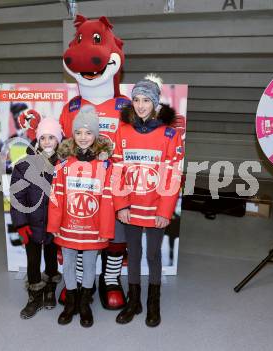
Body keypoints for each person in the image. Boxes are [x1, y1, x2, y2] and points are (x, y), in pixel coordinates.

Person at [112, 74, 184, 327]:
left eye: (146, 100)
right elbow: (116, 171)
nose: (141, 105)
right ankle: (135, 301)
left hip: (156, 209)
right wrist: (120, 205)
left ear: (156, 103)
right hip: (130, 208)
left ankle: (154, 302)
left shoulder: (169, 135)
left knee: (152, 254)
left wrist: (165, 210)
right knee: (133, 253)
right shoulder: (122, 131)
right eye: (136, 100)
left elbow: (173, 176)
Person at [47, 105, 115, 327]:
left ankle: (85, 303)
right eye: (78, 132)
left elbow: (107, 200)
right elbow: (56, 195)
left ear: (95, 135)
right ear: (72, 135)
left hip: (93, 228)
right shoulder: (64, 163)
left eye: (88, 132)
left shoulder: (105, 164)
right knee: (68, 264)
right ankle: (71, 302)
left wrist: (105, 230)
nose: (83, 137)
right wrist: (55, 224)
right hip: (68, 225)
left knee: (88, 265)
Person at [10, 117, 63, 319]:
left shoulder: (64, 166)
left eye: (52, 137)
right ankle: (34, 295)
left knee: (51, 257)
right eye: (43, 138)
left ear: (58, 140)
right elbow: (17, 197)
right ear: (37, 141)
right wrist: (21, 224)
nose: (47, 142)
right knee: (33, 260)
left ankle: (50, 290)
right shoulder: (24, 166)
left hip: (54, 225)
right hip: (31, 224)